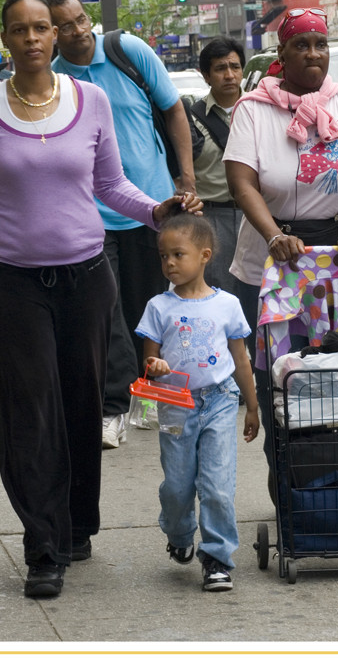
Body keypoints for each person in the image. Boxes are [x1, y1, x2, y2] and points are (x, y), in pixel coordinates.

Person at [0, 0, 202, 599]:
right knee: (30, 408)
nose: (35, 38)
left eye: (43, 27)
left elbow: (111, 184)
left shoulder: (90, 100)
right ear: (6, 39)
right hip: (12, 283)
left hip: (86, 278)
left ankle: (75, 525)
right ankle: (43, 544)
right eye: (22, 29)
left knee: (80, 402)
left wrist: (158, 212)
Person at [223, 6, 338, 488]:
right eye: (302, 44)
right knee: (284, 378)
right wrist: (275, 235)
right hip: (272, 259)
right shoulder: (254, 109)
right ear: (283, 52)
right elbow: (242, 182)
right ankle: (292, 486)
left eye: (320, 44)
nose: (313, 53)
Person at [47, 0, 198, 451]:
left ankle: (147, 396)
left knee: (147, 309)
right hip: (90, 213)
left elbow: (173, 109)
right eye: (66, 26)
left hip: (151, 208)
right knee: (105, 313)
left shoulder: (128, 50)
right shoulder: (54, 80)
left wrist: (185, 179)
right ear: (53, 33)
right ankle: (112, 407)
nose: (79, 31)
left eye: (82, 20)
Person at [135, 213, 259, 592]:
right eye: (163, 256)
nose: (169, 263)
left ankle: (217, 558)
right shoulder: (159, 307)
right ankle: (178, 533)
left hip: (220, 401)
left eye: (178, 254)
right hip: (175, 404)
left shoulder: (228, 305)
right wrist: (153, 366)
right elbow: (149, 362)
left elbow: (241, 359)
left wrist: (252, 407)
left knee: (217, 486)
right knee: (177, 486)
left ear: (205, 256)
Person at [185, 36, 245, 295]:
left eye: (235, 66)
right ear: (206, 76)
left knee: (256, 296)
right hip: (212, 219)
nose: (229, 75)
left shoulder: (261, 110)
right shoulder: (190, 118)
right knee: (217, 295)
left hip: (256, 218)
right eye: (220, 69)